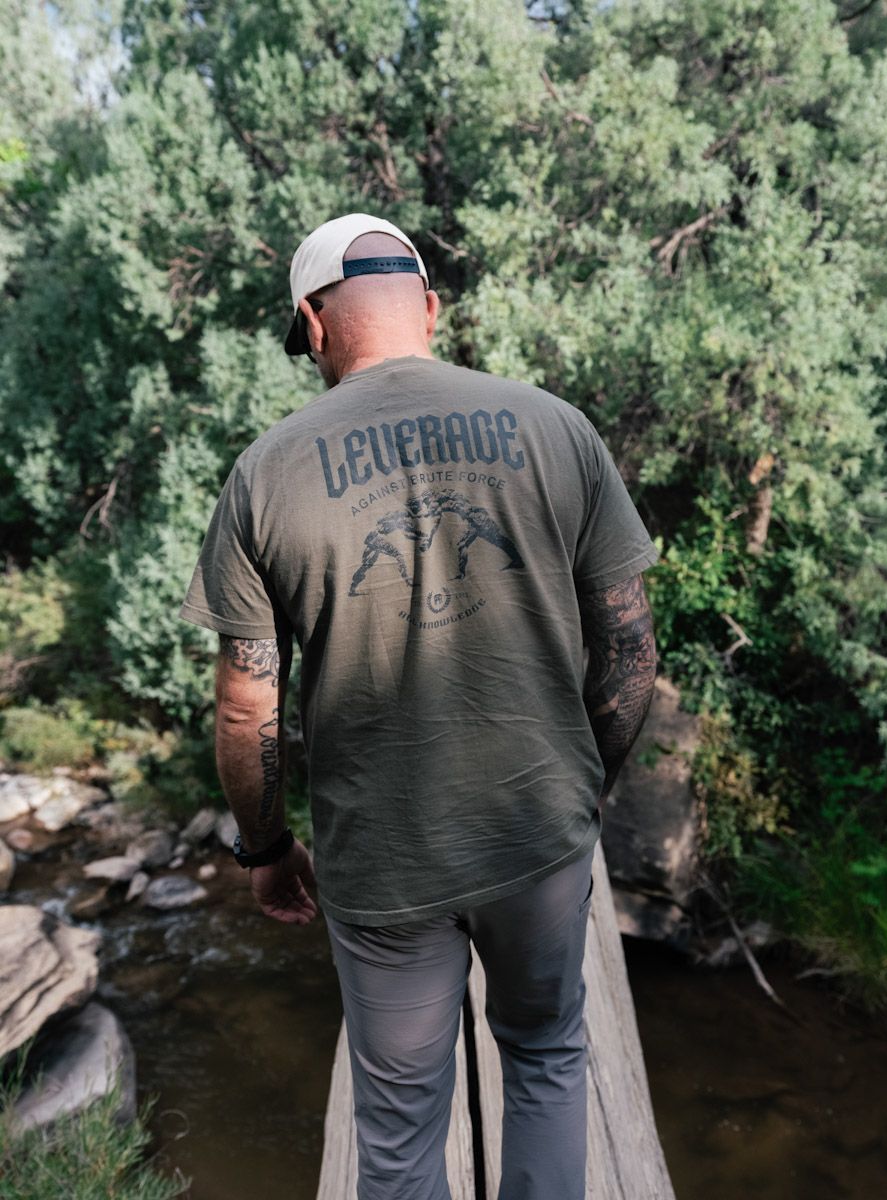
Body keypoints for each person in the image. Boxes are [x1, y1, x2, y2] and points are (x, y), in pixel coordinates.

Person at [178, 212, 658, 1200]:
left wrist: (266, 850)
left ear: (314, 324)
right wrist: (585, 789)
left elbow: (243, 712)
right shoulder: (557, 428)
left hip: (382, 863)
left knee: (397, 1129)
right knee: (545, 1061)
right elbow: (631, 651)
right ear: (430, 308)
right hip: (539, 833)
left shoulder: (264, 476)